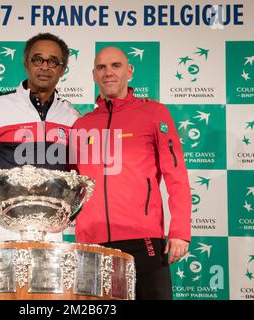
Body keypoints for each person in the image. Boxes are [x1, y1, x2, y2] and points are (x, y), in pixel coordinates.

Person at [70, 46, 191, 300]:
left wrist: (179, 230)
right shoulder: (82, 125)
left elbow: (176, 174)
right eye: (101, 67)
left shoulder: (154, 113)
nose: (108, 73)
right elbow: (72, 184)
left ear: (129, 71)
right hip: (91, 242)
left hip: (142, 238)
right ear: (93, 74)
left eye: (116, 66)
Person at [0, 33, 80, 243]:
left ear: (62, 69)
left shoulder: (72, 116)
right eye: (37, 59)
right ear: (26, 64)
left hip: (49, 231)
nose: (44, 66)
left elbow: (78, 175)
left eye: (52, 61)